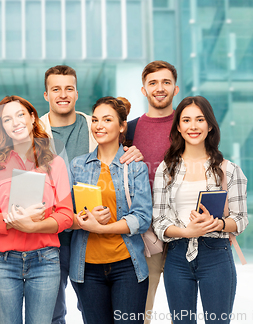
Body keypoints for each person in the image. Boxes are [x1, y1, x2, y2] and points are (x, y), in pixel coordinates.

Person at [40, 65, 143, 324]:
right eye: (56, 89)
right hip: (49, 232)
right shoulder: (34, 132)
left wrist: (134, 151)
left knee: (91, 309)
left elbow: (115, 152)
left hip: (87, 240)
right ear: (46, 95)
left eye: (69, 88)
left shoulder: (93, 124)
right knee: (52, 312)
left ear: (76, 93)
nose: (63, 94)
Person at [153, 96, 248, 324]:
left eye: (200, 119)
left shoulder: (229, 170)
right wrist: (186, 232)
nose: (193, 126)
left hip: (216, 254)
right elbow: (159, 222)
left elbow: (241, 219)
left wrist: (219, 224)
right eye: (186, 120)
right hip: (177, 255)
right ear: (178, 126)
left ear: (210, 126)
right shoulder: (166, 169)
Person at [0, 96, 74, 324]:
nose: (16, 122)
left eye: (20, 114)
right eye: (7, 119)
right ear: (2, 127)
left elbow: (66, 215)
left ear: (32, 118)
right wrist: (11, 221)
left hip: (45, 262)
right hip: (3, 263)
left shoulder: (55, 163)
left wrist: (36, 225)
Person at [69, 97, 152, 324]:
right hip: (87, 270)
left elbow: (142, 218)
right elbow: (65, 213)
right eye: (95, 120)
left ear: (122, 126)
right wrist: (85, 219)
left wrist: (102, 228)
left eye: (107, 119)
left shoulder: (135, 166)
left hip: (127, 266)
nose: (99, 125)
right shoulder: (77, 165)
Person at [126, 60, 180, 324]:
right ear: (143, 90)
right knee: (141, 311)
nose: (160, 88)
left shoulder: (189, 125)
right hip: (146, 233)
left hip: (185, 228)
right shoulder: (130, 130)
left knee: (184, 311)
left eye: (166, 82)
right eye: (153, 83)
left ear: (176, 88)